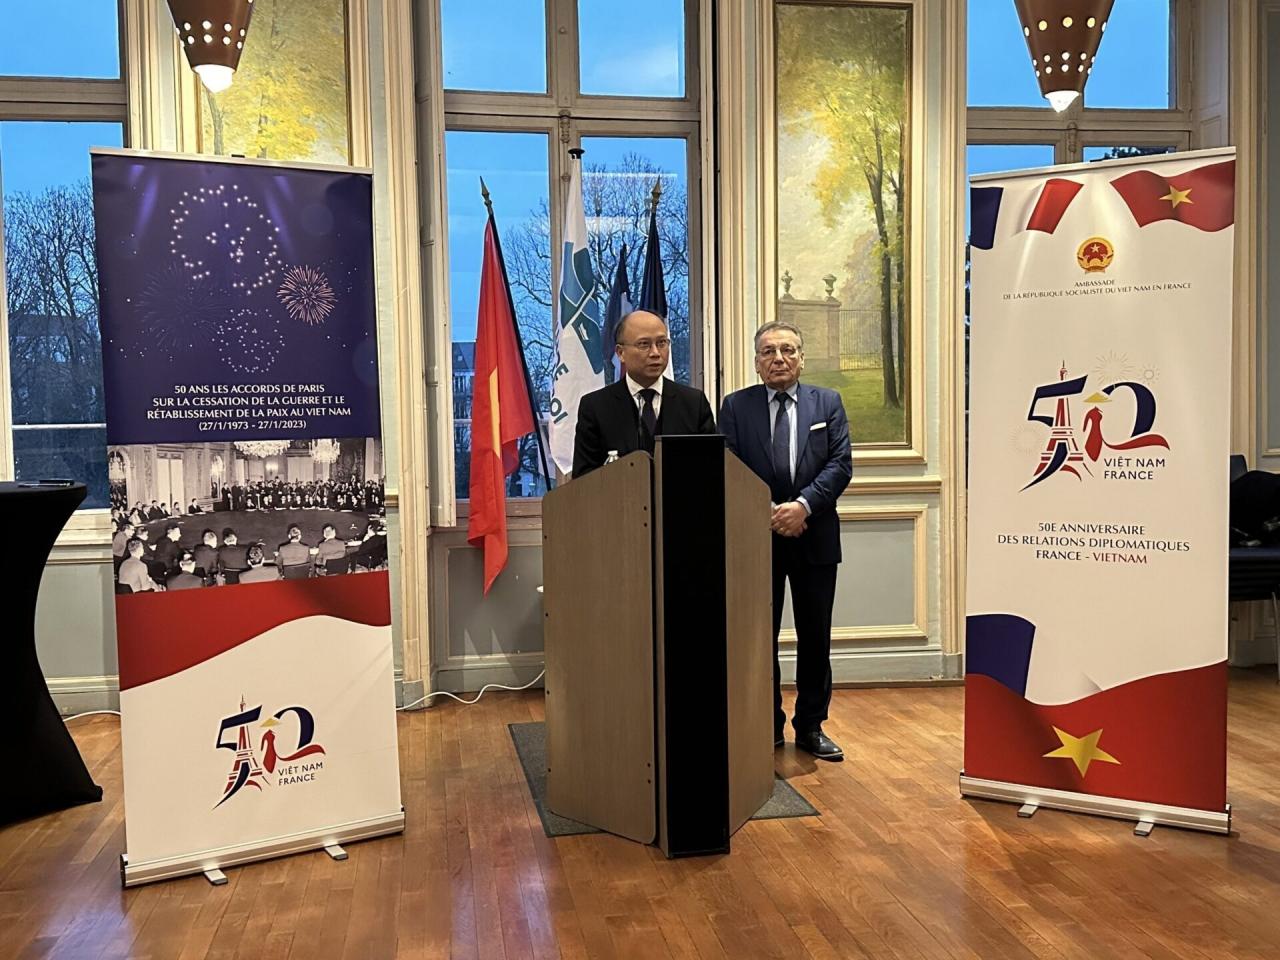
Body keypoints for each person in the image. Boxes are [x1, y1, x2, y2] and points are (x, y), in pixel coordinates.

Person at [719, 320, 852, 761]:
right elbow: (729, 465)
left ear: (802, 357)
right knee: (760, 637)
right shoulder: (735, 407)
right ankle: (766, 726)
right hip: (756, 540)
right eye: (769, 352)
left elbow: (839, 465)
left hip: (814, 535)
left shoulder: (827, 403)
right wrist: (769, 512)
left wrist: (802, 507)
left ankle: (812, 728)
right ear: (757, 363)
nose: (779, 358)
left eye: (788, 350)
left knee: (816, 638)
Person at [572, 309, 717, 477]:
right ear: (621, 353)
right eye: (644, 344)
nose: (655, 353)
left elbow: (713, 468)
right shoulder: (596, 407)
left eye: (662, 343)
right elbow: (583, 479)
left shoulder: (693, 403)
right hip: (620, 501)